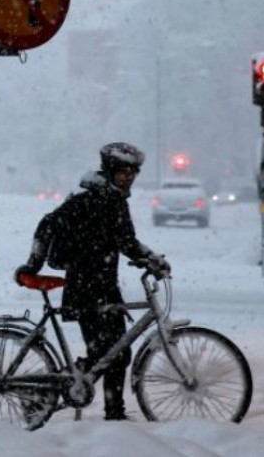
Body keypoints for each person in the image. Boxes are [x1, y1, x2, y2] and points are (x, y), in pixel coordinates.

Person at [14, 142, 170, 421]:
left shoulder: (114, 200)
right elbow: (47, 224)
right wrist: (32, 265)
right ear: (109, 170)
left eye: (133, 172)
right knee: (109, 353)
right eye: (123, 172)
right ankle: (50, 394)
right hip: (86, 289)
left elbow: (126, 242)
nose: (128, 178)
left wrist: (150, 258)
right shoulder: (89, 199)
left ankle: (113, 412)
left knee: (116, 353)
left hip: (104, 287)